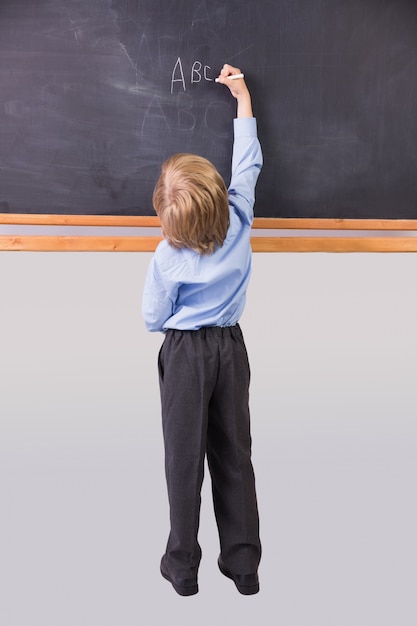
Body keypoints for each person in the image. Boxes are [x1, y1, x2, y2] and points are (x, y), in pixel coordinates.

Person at [142, 63, 262, 596]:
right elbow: (247, 163)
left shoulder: (168, 257)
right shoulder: (239, 218)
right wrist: (242, 99)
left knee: (183, 459)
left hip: (187, 355)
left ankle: (183, 566)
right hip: (231, 349)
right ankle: (243, 566)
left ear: (171, 223)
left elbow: (151, 317)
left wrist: (174, 323)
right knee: (234, 453)